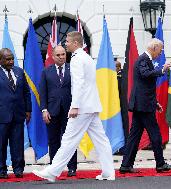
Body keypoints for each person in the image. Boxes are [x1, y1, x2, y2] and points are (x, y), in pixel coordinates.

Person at [32, 31, 115, 182]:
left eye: (68, 42)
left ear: (75, 43)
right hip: (92, 106)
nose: (66, 44)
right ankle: (109, 172)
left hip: (82, 107)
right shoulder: (87, 57)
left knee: (68, 140)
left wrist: (75, 106)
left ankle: (52, 171)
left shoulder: (76, 59)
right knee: (101, 140)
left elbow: (78, 84)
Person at [119, 38, 171, 173]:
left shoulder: (146, 60)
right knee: (155, 134)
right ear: (154, 48)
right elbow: (145, 75)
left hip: (143, 104)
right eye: (161, 50)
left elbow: (145, 86)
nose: (161, 53)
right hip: (143, 106)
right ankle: (160, 164)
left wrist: (155, 102)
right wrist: (162, 69)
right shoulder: (143, 59)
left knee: (134, 136)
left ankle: (126, 165)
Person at [39, 45, 77, 177]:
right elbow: (42, 93)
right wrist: (44, 110)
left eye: (63, 54)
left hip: (70, 111)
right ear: (53, 56)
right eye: (58, 55)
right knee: (54, 140)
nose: (61, 57)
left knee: (70, 140)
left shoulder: (72, 69)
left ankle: (72, 167)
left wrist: (76, 107)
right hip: (52, 111)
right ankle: (54, 168)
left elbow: (78, 90)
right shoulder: (46, 71)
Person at [0, 48, 32, 179]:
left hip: (18, 114)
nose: (11, 61)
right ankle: (2, 170)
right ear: (1, 60)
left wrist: (28, 110)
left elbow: (26, 92)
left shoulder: (19, 72)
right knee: (1, 144)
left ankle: (18, 169)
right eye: (8, 59)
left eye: (12, 58)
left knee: (18, 143)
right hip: (2, 116)